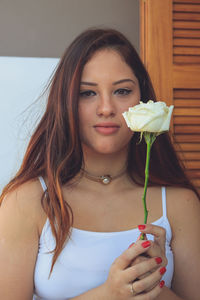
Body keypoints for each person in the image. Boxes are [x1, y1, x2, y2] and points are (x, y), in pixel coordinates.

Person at [0, 28, 199, 300]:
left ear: (142, 99)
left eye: (122, 90)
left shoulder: (179, 204)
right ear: (65, 102)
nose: (106, 108)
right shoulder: (28, 201)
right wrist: (109, 293)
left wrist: (152, 285)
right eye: (87, 93)